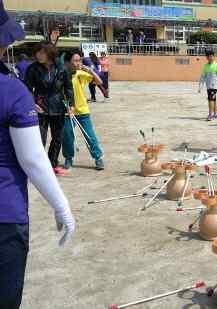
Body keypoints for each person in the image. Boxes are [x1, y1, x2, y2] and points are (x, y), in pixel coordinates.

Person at [0, 6, 75, 307]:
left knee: (55, 141)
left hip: (53, 109)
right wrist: (62, 206)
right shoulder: (12, 89)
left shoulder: (51, 72)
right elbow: (32, 159)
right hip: (5, 215)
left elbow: (65, 86)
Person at [24, 41, 74, 176]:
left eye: (42, 52)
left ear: (50, 54)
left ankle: (53, 165)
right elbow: (27, 89)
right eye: (37, 52)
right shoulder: (33, 69)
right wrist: (32, 103)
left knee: (58, 138)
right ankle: (38, 167)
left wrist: (70, 105)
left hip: (58, 107)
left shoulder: (62, 68)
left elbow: (68, 88)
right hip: (40, 107)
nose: (38, 55)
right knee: (41, 138)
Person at [62, 51, 105, 171]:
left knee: (90, 136)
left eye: (80, 60)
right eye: (75, 61)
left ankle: (98, 157)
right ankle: (68, 158)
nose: (78, 63)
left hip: (83, 112)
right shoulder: (61, 75)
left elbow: (99, 82)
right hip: (67, 113)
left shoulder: (80, 74)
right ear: (67, 63)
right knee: (68, 137)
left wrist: (89, 70)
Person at [198, 50, 217, 121]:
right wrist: (200, 86)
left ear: (213, 57)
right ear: (206, 57)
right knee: (213, 99)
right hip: (208, 86)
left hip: (214, 86)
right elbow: (203, 77)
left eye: (211, 56)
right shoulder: (205, 66)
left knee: (210, 99)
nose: (210, 57)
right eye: (208, 56)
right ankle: (215, 114)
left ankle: (210, 114)